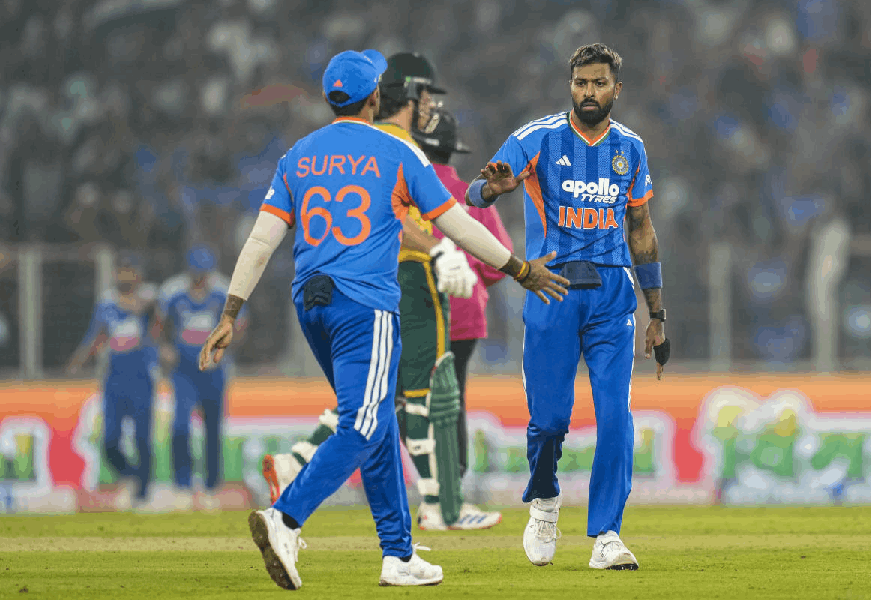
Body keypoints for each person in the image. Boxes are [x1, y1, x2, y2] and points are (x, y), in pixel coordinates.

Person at [197, 49, 568, 590]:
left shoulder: (298, 155)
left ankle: (398, 554)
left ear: (330, 99)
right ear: (375, 97)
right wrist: (516, 268)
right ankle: (285, 517)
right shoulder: (396, 151)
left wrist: (230, 311)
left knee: (378, 422)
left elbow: (262, 240)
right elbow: (456, 224)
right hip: (365, 304)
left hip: (313, 304)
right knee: (366, 423)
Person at [261, 53, 502, 532]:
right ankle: (436, 505)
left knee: (377, 399)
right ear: (407, 95)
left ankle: (393, 532)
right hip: (397, 284)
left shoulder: (341, 146)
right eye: (427, 94)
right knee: (413, 397)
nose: (431, 103)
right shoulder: (397, 146)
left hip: (343, 284)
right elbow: (408, 221)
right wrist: (447, 252)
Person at [464, 43, 671, 571]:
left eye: (599, 83)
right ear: (570, 86)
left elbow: (641, 230)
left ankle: (606, 534)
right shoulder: (536, 137)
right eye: (580, 83)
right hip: (551, 291)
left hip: (611, 297)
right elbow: (475, 193)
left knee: (616, 418)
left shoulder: (631, 149)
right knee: (551, 421)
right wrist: (492, 189)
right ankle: (544, 499)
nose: (588, 92)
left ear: (616, 89)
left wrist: (657, 313)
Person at [414, 106, 514, 487]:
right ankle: (451, 484)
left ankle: (422, 480)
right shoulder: (470, 194)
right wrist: (469, 278)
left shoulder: (405, 189)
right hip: (464, 315)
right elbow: (495, 262)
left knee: (407, 398)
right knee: (451, 399)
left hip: (415, 311)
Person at [66, 254, 159, 510]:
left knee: (142, 438)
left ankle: (142, 493)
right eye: (121, 272)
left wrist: (132, 303)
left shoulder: (149, 296)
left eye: (129, 272)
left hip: (142, 376)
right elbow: (96, 335)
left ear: (138, 275)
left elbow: (151, 309)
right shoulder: (106, 302)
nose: (124, 277)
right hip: (115, 377)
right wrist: (78, 360)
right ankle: (129, 475)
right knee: (110, 438)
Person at [157, 244, 246, 511]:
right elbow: (159, 324)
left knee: (213, 429)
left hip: (214, 370)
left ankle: (211, 486)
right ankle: (182, 484)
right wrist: (165, 347)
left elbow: (240, 323)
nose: (200, 281)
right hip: (184, 369)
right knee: (181, 426)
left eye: (203, 275)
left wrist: (225, 349)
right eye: (196, 275)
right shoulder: (173, 291)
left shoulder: (223, 290)